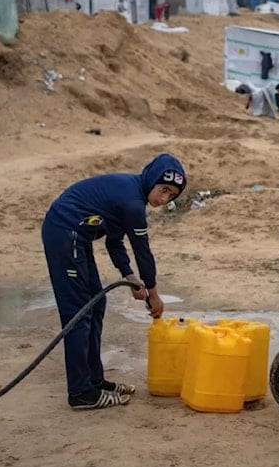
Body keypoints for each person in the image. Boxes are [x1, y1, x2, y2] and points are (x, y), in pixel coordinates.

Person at [41, 154, 187, 410]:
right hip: (64, 231)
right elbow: (143, 251)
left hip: (77, 236)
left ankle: (94, 380)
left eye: (171, 196)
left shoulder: (132, 195)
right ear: (152, 180)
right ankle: (81, 392)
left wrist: (130, 277)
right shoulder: (132, 201)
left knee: (96, 305)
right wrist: (153, 293)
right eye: (164, 190)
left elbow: (114, 241)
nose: (164, 200)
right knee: (79, 313)